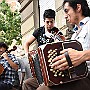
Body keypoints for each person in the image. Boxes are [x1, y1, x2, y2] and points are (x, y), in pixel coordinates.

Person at [37, 0, 90, 90]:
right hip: (74, 76)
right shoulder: (74, 34)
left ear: (78, 7)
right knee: (30, 83)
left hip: (86, 77)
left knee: (43, 89)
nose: (65, 16)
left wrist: (82, 55)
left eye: (66, 11)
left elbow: (78, 57)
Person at [23, 9, 64, 90]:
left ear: (54, 21)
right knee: (26, 83)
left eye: (51, 22)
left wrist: (59, 40)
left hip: (53, 67)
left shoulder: (57, 32)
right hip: (40, 66)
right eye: (47, 22)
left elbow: (63, 44)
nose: (49, 24)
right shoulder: (39, 31)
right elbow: (26, 43)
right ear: (44, 21)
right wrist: (27, 55)